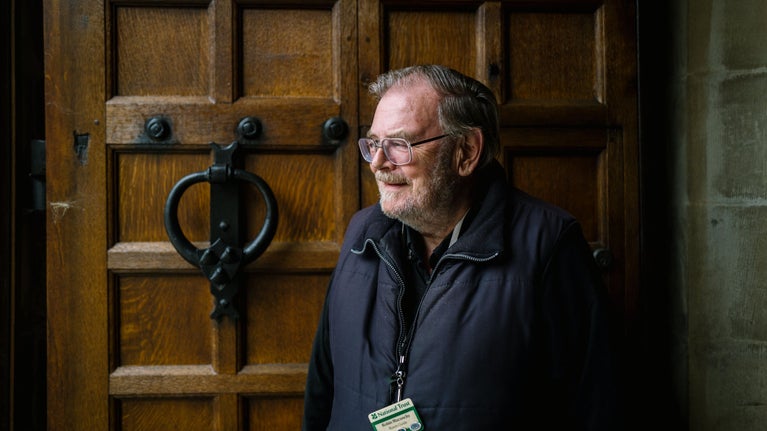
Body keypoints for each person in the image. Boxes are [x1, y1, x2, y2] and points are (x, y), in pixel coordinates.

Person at [302, 65, 619, 430]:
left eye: (399, 145)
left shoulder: (548, 244)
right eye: (374, 143)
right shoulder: (361, 235)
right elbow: (322, 388)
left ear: (466, 151)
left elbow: (596, 405)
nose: (377, 163)